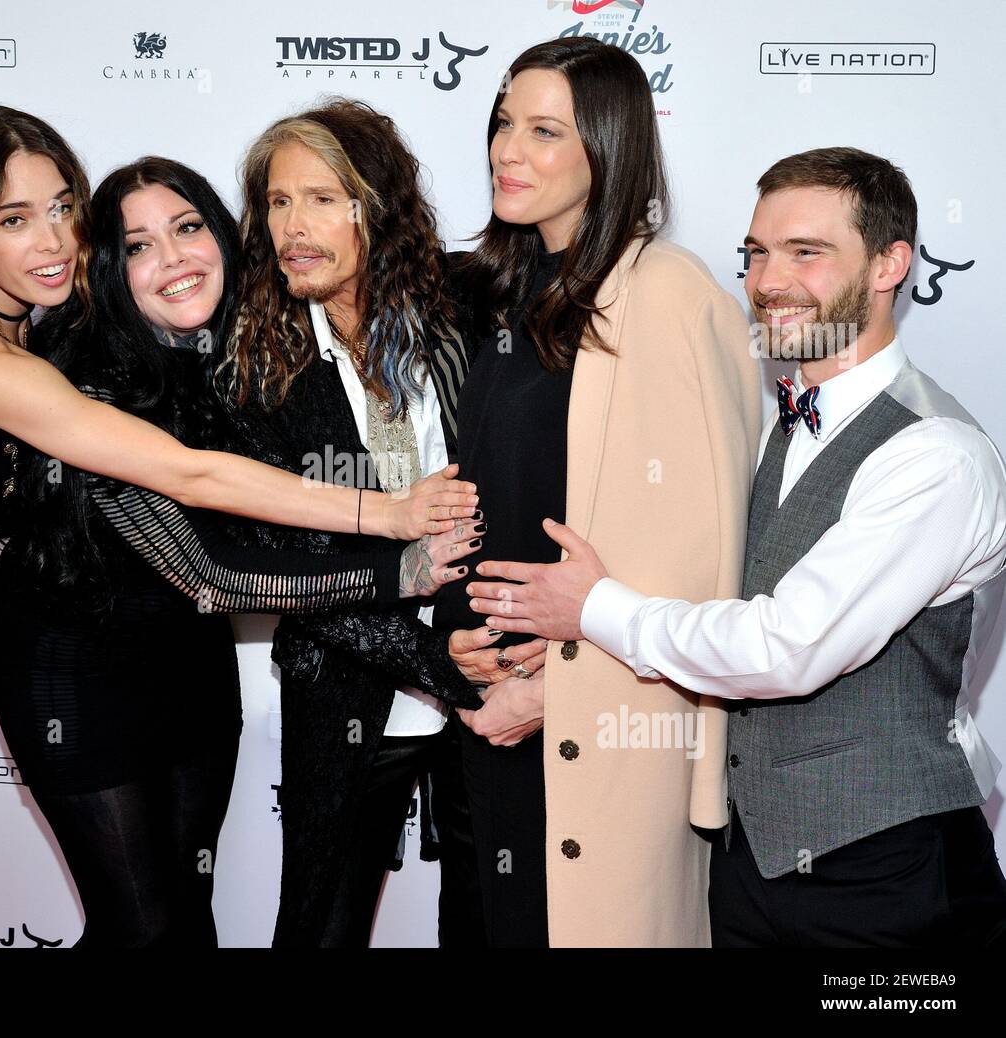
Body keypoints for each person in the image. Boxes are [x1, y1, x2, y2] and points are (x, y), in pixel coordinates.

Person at [0, 105, 477, 948]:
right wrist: (395, 534)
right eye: (13, 218)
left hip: (52, 656)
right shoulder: (4, 361)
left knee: (169, 924)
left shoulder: (75, 335)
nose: (49, 241)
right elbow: (197, 516)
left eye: (61, 209)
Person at [467, 146, 1006, 948]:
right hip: (747, 861)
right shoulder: (771, 427)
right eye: (755, 254)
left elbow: (786, 647)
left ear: (893, 263)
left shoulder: (934, 455)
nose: (768, 281)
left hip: (888, 868)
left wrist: (594, 608)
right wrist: (558, 675)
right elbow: (706, 588)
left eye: (807, 252)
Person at [0, 156, 484, 948]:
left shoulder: (237, 357)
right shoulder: (91, 384)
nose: (175, 258)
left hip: (188, 667)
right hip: (74, 676)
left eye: (187, 228)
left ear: (222, 234)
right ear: (110, 270)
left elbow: (273, 532)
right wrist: (401, 565)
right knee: (141, 928)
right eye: (139, 246)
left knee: (187, 915)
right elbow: (208, 572)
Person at [436, 36, 762, 947]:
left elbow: (705, 555)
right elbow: (489, 495)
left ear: (608, 149)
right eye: (504, 123)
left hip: (607, 725)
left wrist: (558, 693)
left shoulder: (666, 293)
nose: (508, 149)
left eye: (544, 130)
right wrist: (463, 642)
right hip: (494, 711)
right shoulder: (501, 292)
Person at [222, 98, 498, 946]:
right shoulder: (257, 367)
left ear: (376, 204)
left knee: (494, 924)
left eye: (321, 198)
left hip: (495, 686)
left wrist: (491, 668)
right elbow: (294, 573)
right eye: (276, 202)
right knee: (319, 927)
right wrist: (435, 664)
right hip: (351, 686)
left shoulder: (473, 309)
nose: (292, 227)